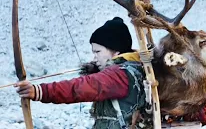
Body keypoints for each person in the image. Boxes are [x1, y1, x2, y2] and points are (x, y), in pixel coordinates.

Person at [15, 17, 150, 129]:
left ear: (116, 51)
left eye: (98, 52)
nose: (95, 57)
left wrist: (39, 91)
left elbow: (80, 88)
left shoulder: (118, 75)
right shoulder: (132, 68)